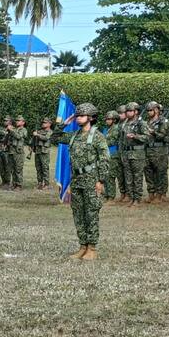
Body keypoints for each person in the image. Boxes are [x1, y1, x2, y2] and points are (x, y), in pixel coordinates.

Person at [52, 103, 109, 261]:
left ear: (90, 118)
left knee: (91, 214)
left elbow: (105, 159)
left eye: (81, 116)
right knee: (78, 214)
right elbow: (54, 138)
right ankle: (82, 246)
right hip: (76, 180)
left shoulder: (97, 136)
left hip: (91, 180)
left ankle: (92, 248)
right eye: (77, 116)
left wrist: (101, 180)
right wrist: (64, 123)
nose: (78, 118)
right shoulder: (74, 136)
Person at [120, 102, 150, 206]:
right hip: (126, 153)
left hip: (137, 154)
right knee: (128, 177)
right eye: (127, 111)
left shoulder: (141, 123)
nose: (127, 113)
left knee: (137, 177)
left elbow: (147, 137)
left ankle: (137, 198)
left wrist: (135, 136)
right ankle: (131, 197)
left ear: (136, 111)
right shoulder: (124, 123)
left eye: (130, 111)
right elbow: (121, 140)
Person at [143, 101, 169, 202]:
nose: (149, 112)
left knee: (160, 173)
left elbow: (164, 136)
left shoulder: (163, 122)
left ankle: (160, 194)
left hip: (160, 151)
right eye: (147, 110)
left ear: (156, 110)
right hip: (148, 150)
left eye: (150, 110)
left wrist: (154, 133)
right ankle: (151, 193)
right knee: (148, 172)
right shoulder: (147, 122)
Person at [31, 117, 53, 190]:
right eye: (43, 122)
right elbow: (34, 140)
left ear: (49, 124)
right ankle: (40, 183)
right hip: (38, 151)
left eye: (45, 123)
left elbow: (46, 138)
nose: (43, 124)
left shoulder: (50, 132)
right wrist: (32, 146)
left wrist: (37, 135)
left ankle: (47, 184)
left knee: (45, 168)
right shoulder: (39, 131)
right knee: (38, 168)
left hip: (44, 152)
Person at [7, 115, 28, 191]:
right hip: (12, 151)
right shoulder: (14, 129)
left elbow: (19, 136)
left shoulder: (24, 130)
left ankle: (19, 185)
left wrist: (12, 130)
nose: (17, 122)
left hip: (18, 152)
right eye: (16, 120)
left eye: (19, 121)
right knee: (12, 169)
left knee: (18, 169)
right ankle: (14, 184)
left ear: (23, 122)